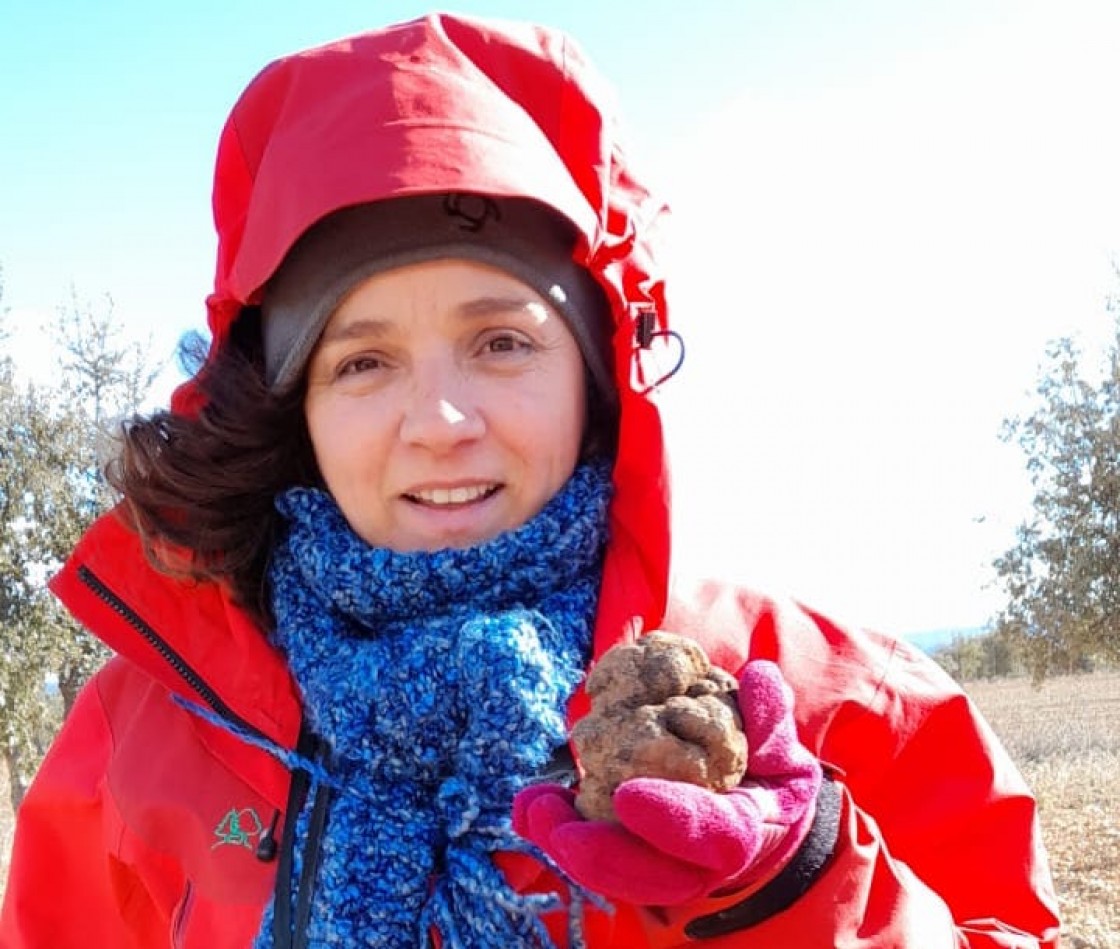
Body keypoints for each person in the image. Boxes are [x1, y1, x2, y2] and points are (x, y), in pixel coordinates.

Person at [0, 11, 1060, 949]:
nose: (440, 423)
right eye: (362, 361)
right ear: (296, 409)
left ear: (596, 376)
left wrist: (802, 888)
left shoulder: (828, 702)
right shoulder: (145, 739)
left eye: (502, 342)